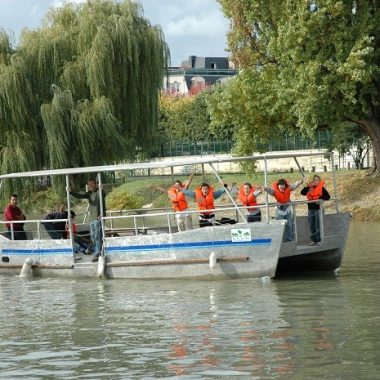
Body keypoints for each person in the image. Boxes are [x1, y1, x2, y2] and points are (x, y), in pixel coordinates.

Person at [68, 178, 106, 262]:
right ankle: (95, 251)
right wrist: (71, 192)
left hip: (98, 218)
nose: (90, 186)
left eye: (92, 184)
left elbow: (103, 195)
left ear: (95, 184)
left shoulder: (99, 192)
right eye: (89, 185)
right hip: (92, 218)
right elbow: (80, 196)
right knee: (92, 237)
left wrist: (101, 188)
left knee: (97, 236)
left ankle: (98, 253)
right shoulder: (89, 194)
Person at [262, 177, 304, 242]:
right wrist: (264, 188)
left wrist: (300, 181)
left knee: (289, 225)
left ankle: (289, 240)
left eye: (283, 185)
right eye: (280, 186)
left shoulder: (288, 188)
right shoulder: (274, 191)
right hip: (279, 211)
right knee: (279, 226)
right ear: (278, 186)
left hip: (288, 209)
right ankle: (280, 240)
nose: (282, 187)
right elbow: (269, 190)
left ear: (285, 185)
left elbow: (294, 185)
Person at [300, 175, 330, 246]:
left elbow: (328, 197)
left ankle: (318, 240)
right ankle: (313, 241)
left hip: (318, 209)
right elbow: (302, 192)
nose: (315, 181)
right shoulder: (310, 188)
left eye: (316, 180)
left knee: (317, 225)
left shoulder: (321, 188)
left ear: (319, 181)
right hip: (310, 209)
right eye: (314, 180)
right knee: (311, 225)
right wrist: (308, 187)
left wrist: (320, 198)